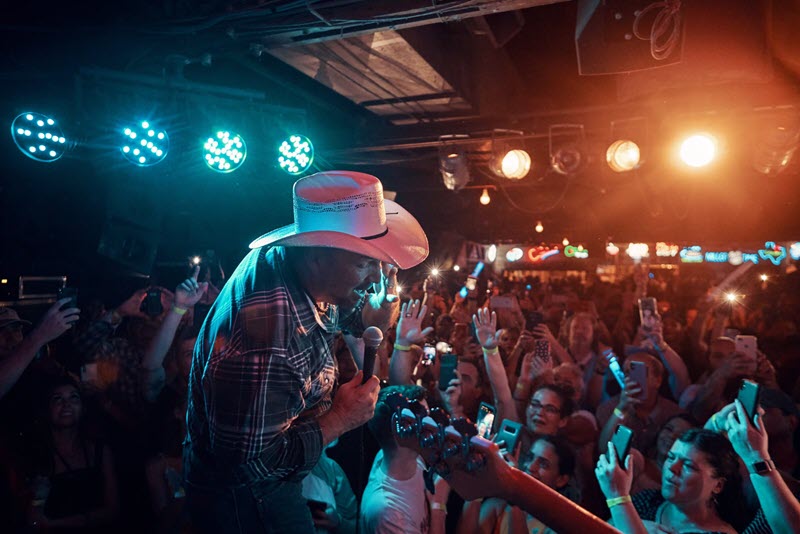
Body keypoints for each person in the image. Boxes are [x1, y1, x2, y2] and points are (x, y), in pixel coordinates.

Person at [184, 171, 429, 533]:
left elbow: (346, 315)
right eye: (365, 262)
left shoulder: (296, 268)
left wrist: (376, 313)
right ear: (317, 256)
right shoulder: (265, 338)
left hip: (274, 481)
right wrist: (341, 418)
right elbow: (251, 466)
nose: (375, 276)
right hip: (246, 499)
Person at [595, 428, 748, 533]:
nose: (672, 468)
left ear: (718, 485)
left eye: (688, 465)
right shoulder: (649, 500)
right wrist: (640, 525)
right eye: (670, 457)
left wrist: (618, 497)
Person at [27, 376, 120, 532]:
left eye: (74, 398)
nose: (66, 404)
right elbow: (33, 520)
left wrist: (57, 523)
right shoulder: (37, 455)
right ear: (47, 410)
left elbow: (114, 510)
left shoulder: (100, 451)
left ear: (83, 408)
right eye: (58, 399)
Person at [360, 385, 450, 534]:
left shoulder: (399, 456)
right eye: (425, 419)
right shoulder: (387, 512)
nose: (432, 425)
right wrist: (438, 505)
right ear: (401, 433)